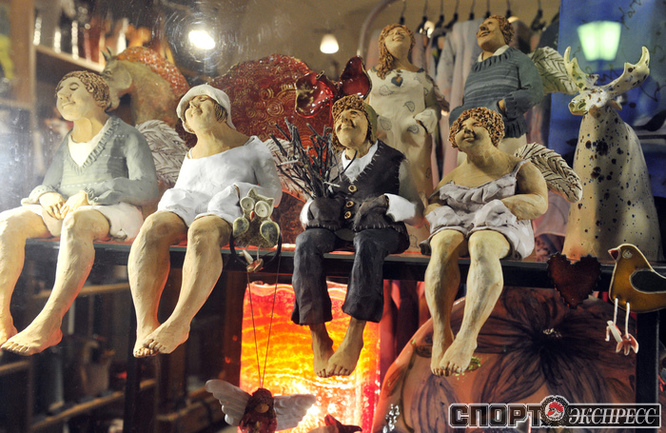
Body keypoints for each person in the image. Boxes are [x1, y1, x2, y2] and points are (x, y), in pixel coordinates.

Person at [0, 71, 158, 355]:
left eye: (73, 88)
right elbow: (50, 183)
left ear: (99, 97)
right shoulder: (68, 142)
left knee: (77, 220)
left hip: (116, 211)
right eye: (60, 91)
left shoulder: (127, 136)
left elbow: (147, 189)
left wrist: (92, 194)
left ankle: (51, 321)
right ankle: (2, 317)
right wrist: (47, 195)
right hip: (69, 209)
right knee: (8, 221)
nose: (63, 95)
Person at [128, 84, 282, 357]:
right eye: (187, 106)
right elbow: (185, 194)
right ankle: (145, 323)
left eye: (201, 100)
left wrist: (237, 191)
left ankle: (179, 322)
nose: (193, 107)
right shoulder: (191, 155)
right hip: (189, 208)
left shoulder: (251, 147)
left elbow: (274, 194)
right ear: (186, 123)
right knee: (152, 227)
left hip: (227, 212)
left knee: (202, 230)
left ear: (221, 109)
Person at [291, 95, 424, 377]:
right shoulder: (329, 165)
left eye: (354, 114)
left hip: (381, 231)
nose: (344, 120)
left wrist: (388, 203)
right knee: (305, 243)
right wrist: (312, 209)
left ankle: (354, 334)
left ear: (370, 124)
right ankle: (318, 334)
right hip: (338, 231)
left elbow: (417, 212)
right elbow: (313, 205)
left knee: (368, 242)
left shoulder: (395, 161)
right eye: (339, 118)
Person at [423, 107, 547, 376]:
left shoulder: (517, 167)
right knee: (442, 245)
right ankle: (441, 333)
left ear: (493, 131)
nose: (467, 129)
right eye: (461, 127)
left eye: (476, 124)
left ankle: (467, 336)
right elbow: (433, 203)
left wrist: (505, 205)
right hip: (459, 224)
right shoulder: (454, 176)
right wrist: (441, 214)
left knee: (481, 244)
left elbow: (539, 201)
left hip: (502, 224)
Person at [367, 24, 446, 217]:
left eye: (402, 33)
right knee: (382, 183)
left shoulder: (420, 76)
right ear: (383, 43)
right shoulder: (371, 76)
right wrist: (372, 125)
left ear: (411, 43)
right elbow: (363, 107)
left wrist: (423, 122)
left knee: (415, 187)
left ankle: (416, 227)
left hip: (413, 142)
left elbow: (434, 106)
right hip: (382, 140)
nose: (396, 33)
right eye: (390, 33)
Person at [449, 15, 543, 156]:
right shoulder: (475, 67)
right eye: (480, 27)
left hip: (505, 140)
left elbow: (535, 91)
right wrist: (458, 117)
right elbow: (467, 103)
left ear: (504, 30)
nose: (482, 27)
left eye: (490, 24)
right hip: (472, 143)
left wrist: (503, 106)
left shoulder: (517, 58)